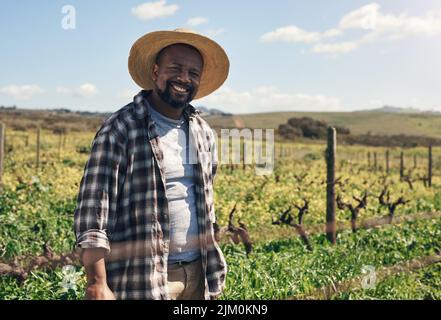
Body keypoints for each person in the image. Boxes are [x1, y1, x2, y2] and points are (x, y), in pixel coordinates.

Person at [73, 28, 229, 300]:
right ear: (156, 72)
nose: (184, 78)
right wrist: (97, 283)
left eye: (193, 73)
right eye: (176, 68)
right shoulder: (121, 128)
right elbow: (93, 213)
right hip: (144, 278)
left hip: (199, 274)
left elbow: (206, 202)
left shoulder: (203, 132)